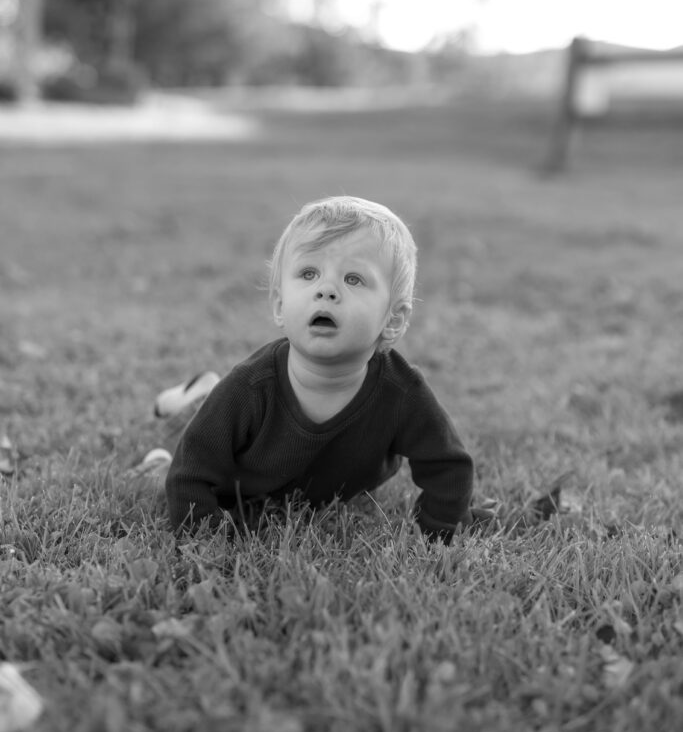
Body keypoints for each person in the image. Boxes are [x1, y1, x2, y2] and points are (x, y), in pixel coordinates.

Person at [163, 195, 490, 541]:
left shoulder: (402, 392)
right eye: (309, 273)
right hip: (241, 483)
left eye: (353, 279)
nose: (326, 290)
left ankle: (199, 392)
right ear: (279, 304)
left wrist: (439, 532)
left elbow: (448, 465)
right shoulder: (249, 387)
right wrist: (203, 538)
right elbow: (191, 469)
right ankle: (191, 400)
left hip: (323, 486)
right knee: (171, 450)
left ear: (392, 319)